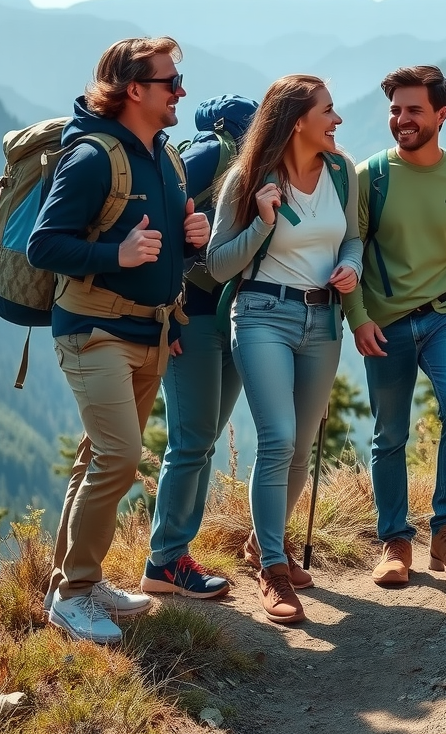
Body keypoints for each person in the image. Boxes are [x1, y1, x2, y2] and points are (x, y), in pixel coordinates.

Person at [28, 36, 210, 645]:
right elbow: (44, 245)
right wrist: (117, 254)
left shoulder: (166, 155)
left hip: (151, 331)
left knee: (98, 458)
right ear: (135, 89)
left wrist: (192, 236)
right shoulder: (93, 157)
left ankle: (74, 582)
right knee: (119, 457)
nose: (180, 90)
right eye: (170, 82)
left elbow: (168, 251)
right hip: (94, 329)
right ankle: (75, 595)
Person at [206, 75, 361, 623]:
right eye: (328, 110)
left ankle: (260, 543)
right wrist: (264, 225)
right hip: (261, 315)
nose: (337, 119)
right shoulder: (248, 180)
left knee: (301, 449)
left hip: (324, 319)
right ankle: (272, 567)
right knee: (278, 439)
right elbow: (219, 264)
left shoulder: (341, 173)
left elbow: (352, 237)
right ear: (298, 120)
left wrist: (353, 266)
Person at [342, 65, 446, 588]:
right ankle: (395, 540)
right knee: (390, 434)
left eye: (413, 110)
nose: (401, 119)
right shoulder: (370, 176)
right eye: (395, 110)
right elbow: (351, 252)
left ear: (441, 114)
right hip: (384, 325)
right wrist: (357, 318)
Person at [142, 95, 258, 600]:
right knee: (191, 441)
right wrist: (163, 317)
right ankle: (165, 560)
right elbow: (150, 230)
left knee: (203, 439)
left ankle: (175, 554)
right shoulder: (211, 153)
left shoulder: (253, 164)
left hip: (228, 316)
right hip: (192, 318)